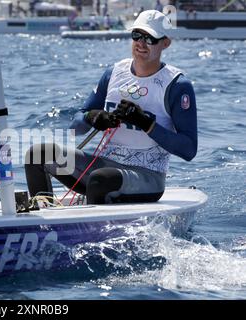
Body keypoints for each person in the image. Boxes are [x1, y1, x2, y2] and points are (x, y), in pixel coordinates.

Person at [25, 10, 198, 204]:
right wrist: (93, 117)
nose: (141, 43)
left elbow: (189, 150)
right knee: (37, 154)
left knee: (101, 180)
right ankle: (42, 218)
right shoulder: (113, 73)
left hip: (147, 176)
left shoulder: (177, 85)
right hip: (104, 166)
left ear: (165, 43)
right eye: (137, 35)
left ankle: (89, 229)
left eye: (150, 39)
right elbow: (75, 128)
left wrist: (146, 123)